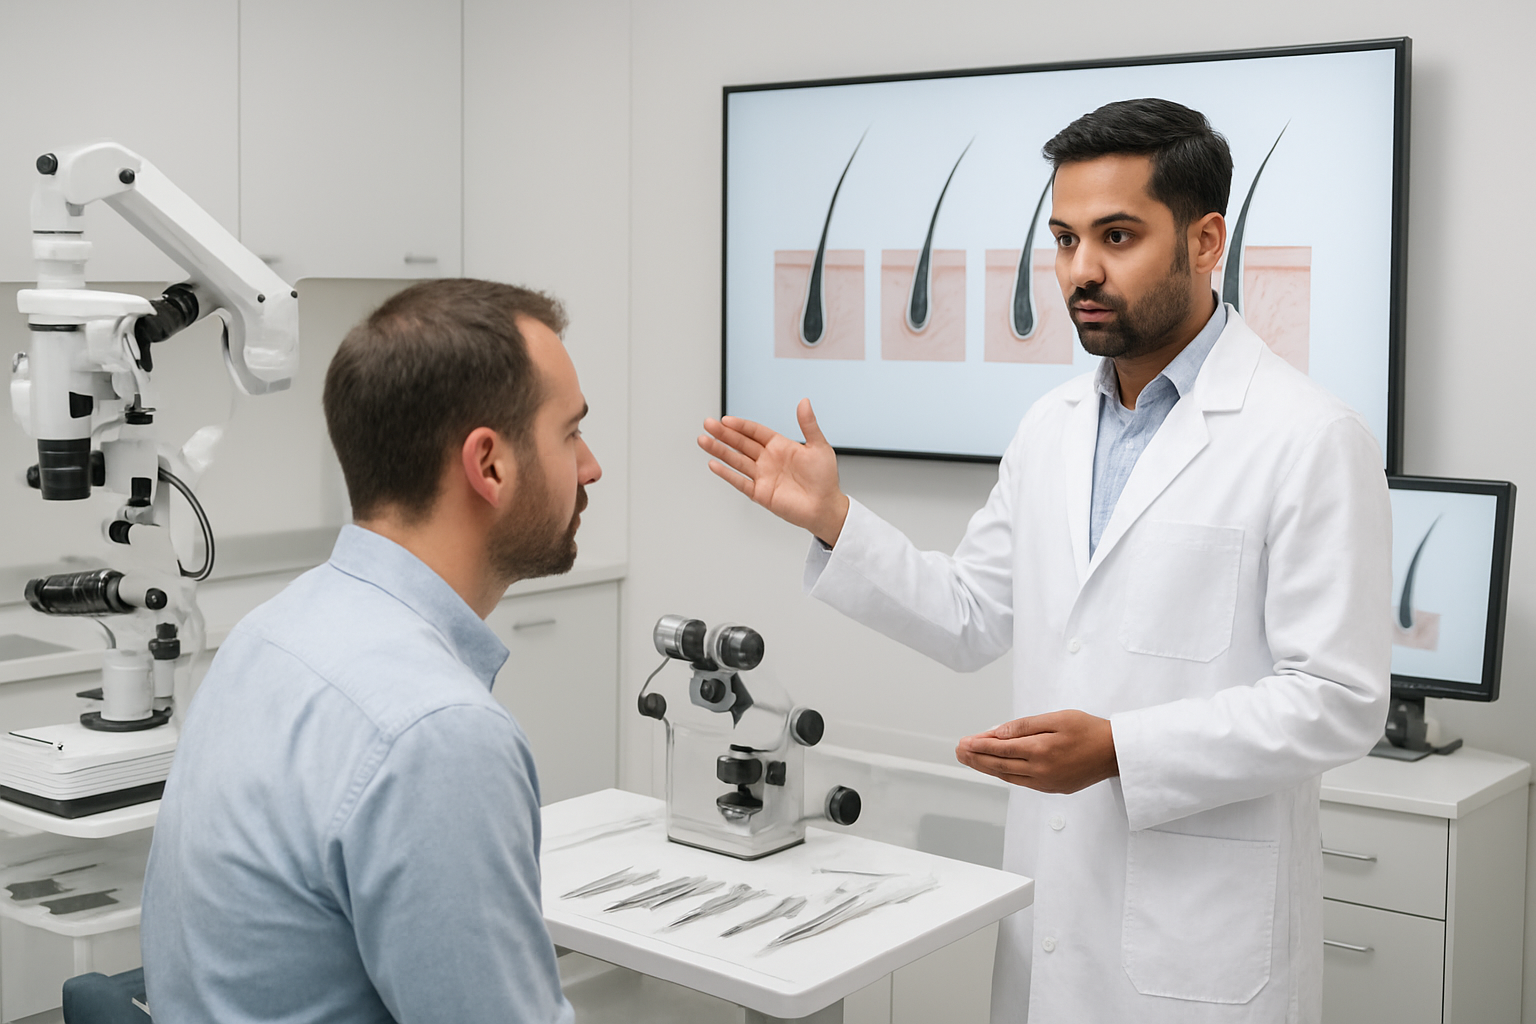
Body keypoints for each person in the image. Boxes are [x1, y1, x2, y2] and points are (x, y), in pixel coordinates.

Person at [699, 99, 1389, 1023]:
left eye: (1117, 236)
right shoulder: (1051, 427)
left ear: (1206, 241)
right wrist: (835, 520)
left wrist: (1120, 749)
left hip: (1205, 942)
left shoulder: (1308, 436)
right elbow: (971, 614)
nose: (1080, 270)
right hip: (1055, 915)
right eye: (1065, 239)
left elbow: (1338, 700)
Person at [142, 279, 601, 1024]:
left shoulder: (269, 632)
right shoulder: (434, 732)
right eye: (571, 434)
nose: (590, 467)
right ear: (489, 465)